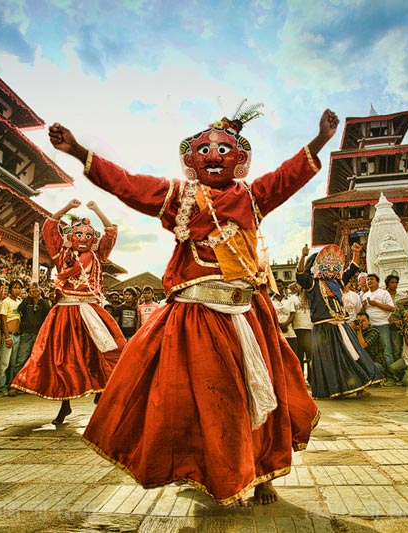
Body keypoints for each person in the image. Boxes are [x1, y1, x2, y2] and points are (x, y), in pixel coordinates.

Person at [51, 106, 337, 507]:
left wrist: (321, 139)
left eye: (224, 148)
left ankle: (262, 474)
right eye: (204, 149)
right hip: (196, 317)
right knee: (205, 400)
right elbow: (128, 184)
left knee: (259, 396)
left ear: (239, 160)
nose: (214, 154)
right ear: (191, 161)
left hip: (249, 315)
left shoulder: (254, 196)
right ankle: (205, 470)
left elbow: (289, 176)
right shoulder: (176, 197)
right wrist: (80, 151)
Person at [11, 199, 125, 425]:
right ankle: (66, 405)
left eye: (88, 235)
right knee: (64, 360)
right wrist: (67, 209)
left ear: (93, 240)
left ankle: (101, 391)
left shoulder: (97, 256)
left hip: (91, 312)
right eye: (78, 234)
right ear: (70, 237)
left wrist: (97, 209)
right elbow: (49, 228)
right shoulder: (60, 255)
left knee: (101, 353)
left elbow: (110, 232)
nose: (83, 238)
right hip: (64, 312)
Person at [297, 242, 381, 398]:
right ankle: (335, 390)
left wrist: (356, 253)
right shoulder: (312, 284)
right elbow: (300, 275)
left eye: (333, 266)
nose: (330, 269)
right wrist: (303, 256)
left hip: (341, 325)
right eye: (326, 265)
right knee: (330, 361)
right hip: (324, 329)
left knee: (352, 354)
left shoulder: (337, 282)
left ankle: (359, 387)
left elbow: (352, 269)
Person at [6, 283, 51, 397]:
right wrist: (29, 298)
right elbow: (20, 309)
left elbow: (48, 312)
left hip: (39, 334)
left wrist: (40, 298)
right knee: (21, 360)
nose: (34, 293)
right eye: (32, 291)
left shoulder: (43, 303)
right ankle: (15, 384)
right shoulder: (25, 302)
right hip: (26, 334)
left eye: (36, 291)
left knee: (38, 360)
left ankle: (35, 385)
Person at [361, 273, 396, 373]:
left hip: (382, 324)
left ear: (377, 281)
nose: (369, 281)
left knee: (386, 350)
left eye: (371, 279)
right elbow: (363, 312)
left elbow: (392, 308)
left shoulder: (383, 293)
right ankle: (378, 373)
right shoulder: (365, 295)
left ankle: (392, 374)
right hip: (370, 327)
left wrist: (375, 304)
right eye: (367, 280)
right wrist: (363, 306)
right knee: (373, 351)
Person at [0, 279, 23, 393]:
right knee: (4, 363)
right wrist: (7, 336)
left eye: (19, 288)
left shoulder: (20, 302)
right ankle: (0, 386)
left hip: (18, 336)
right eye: (15, 288)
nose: (17, 290)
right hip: (9, 335)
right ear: (10, 289)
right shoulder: (6, 302)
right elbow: (3, 320)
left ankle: (11, 384)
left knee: (14, 363)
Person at [351, 311, 386, 380]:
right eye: (358, 321)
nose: (361, 323)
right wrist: (351, 329)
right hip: (363, 362)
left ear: (369, 322)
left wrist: (359, 331)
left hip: (375, 362)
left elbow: (363, 345)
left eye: (363, 321)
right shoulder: (355, 332)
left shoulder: (373, 332)